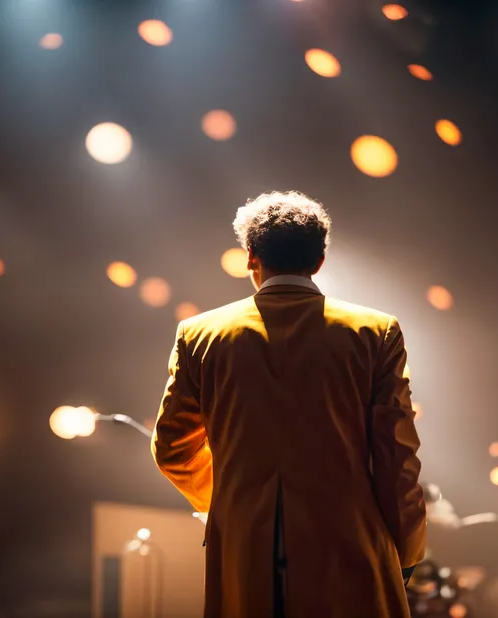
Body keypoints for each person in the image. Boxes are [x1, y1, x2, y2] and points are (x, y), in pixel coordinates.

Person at [151, 190, 427, 618]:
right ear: (319, 261)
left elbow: (172, 447)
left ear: (249, 256)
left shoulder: (199, 335)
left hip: (244, 551)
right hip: (349, 550)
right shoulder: (376, 332)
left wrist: (233, 502)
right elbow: (397, 456)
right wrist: (407, 548)